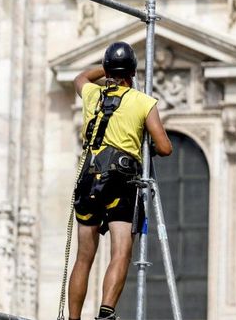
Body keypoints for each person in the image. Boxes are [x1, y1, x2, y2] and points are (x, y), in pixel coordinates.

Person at [67, 41, 173, 320]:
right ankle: (106, 313)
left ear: (109, 71)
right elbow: (164, 147)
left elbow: (80, 78)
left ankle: (73, 318)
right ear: (132, 74)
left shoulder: (92, 95)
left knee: (84, 257)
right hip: (120, 182)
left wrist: (103, 69)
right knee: (121, 250)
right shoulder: (142, 102)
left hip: (88, 179)